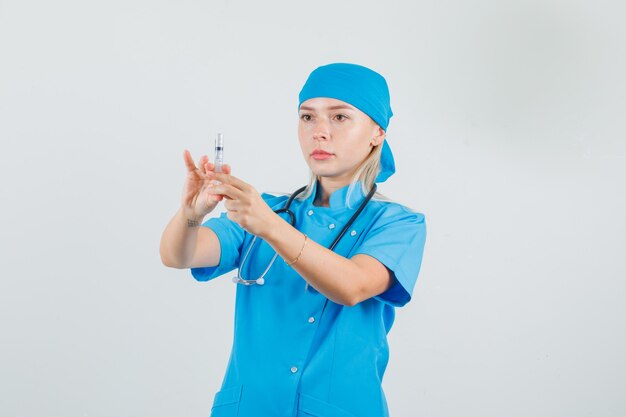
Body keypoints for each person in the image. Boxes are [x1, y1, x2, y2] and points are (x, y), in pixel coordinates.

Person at [160, 63, 427, 417]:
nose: (319, 132)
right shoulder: (266, 210)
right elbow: (179, 254)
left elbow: (352, 286)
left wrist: (269, 226)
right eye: (307, 117)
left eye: (340, 118)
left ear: (377, 132)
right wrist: (191, 214)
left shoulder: (396, 223)